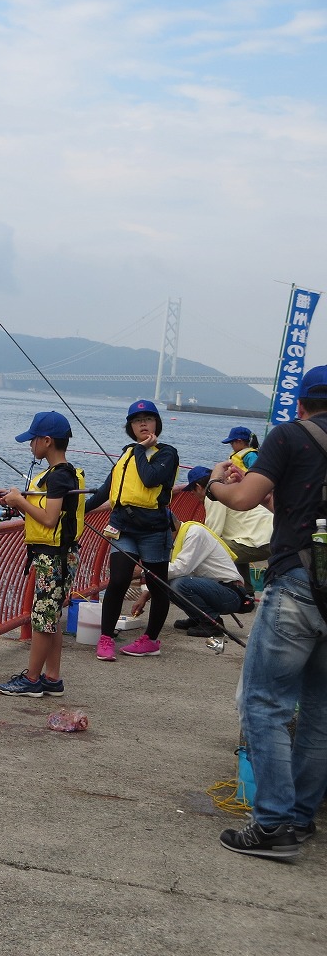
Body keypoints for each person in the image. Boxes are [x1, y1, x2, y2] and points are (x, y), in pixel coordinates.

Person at [207, 366, 327, 860]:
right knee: (320, 713)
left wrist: (217, 480)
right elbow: (299, 507)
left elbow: (239, 500)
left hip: (297, 586)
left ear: (301, 404)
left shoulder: (290, 436)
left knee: (265, 704)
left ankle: (273, 824)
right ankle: (299, 818)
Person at [0, 411, 85, 697]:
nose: (31, 445)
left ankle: (32, 679)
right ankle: (52, 678)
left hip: (54, 557)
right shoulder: (60, 475)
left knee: (42, 619)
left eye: (33, 440)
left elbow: (49, 519)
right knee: (51, 617)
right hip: (58, 554)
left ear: (47, 441)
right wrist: (16, 501)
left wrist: (20, 500)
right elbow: (45, 511)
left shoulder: (59, 477)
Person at [85, 399, 180, 660]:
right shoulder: (126, 453)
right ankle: (105, 638)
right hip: (123, 526)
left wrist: (140, 450)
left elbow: (150, 479)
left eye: (148, 420)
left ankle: (150, 640)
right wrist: (77, 512)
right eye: (137, 421)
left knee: (157, 585)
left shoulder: (167, 453)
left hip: (154, 530)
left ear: (156, 424)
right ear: (130, 427)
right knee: (117, 580)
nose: (143, 424)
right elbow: (106, 490)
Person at [131, 469, 249, 639]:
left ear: (169, 528)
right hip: (215, 589)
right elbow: (165, 572)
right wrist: (144, 596)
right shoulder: (176, 539)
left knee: (179, 584)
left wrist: (142, 571)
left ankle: (211, 622)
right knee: (172, 581)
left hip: (230, 593)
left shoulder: (194, 533)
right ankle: (198, 617)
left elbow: (181, 568)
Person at [198, 461, 273, 596]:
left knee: (213, 552)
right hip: (272, 535)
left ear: (197, 487)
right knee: (235, 547)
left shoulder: (215, 496)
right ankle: (246, 592)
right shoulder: (234, 487)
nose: (192, 496)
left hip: (261, 541)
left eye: (191, 492)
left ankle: (207, 592)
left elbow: (212, 533)